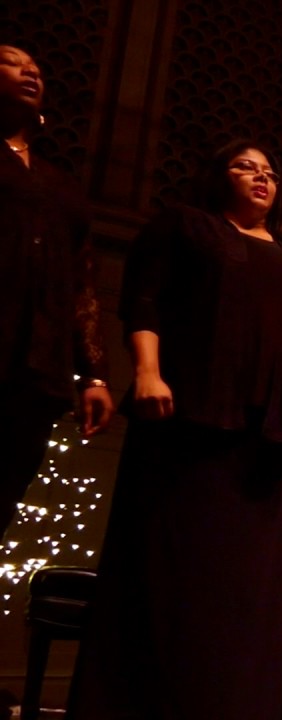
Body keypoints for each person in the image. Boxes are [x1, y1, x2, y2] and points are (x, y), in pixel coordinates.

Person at [68, 140, 282, 719]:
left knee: (247, 589)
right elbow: (144, 302)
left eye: (270, 172)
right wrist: (148, 373)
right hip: (190, 420)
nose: (261, 178)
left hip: (266, 440)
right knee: (173, 569)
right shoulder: (186, 226)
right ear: (218, 176)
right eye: (245, 167)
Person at [0, 43, 113, 538]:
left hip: (35, 369)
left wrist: (94, 375)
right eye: (11, 62)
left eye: (37, 69)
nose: (29, 73)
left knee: (3, 495)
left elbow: (82, 281)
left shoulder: (60, 185)